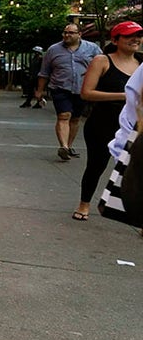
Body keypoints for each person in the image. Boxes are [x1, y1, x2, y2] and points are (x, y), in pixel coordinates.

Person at [72, 21, 143, 220]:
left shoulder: (141, 63)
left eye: (138, 35)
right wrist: (123, 96)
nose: (135, 40)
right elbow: (86, 93)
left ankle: (134, 211)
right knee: (97, 164)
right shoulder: (102, 61)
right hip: (103, 122)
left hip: (135, 124)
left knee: (136, 170)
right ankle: (84, 203)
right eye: (129, 36)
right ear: (115, 39)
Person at [35, 23, 101, 161]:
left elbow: (102, 66)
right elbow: (44, 72)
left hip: (82, 89)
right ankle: (63, 146)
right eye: (65, 32)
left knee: (75, 118)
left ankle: (69, 146)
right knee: (64, 115)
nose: (67, 35)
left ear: (79, 34)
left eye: (71, 33)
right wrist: (39, 91)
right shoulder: (53, 50)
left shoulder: (93, 49)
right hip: (60, 88)